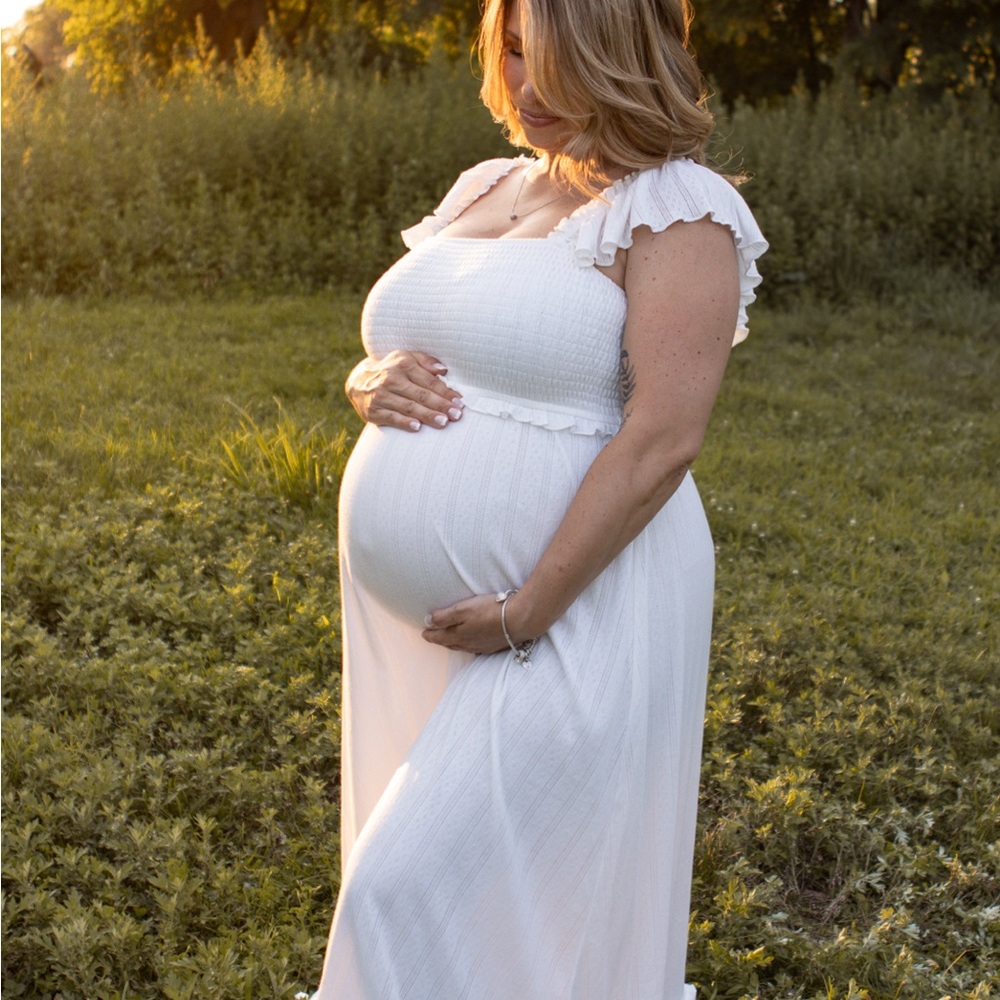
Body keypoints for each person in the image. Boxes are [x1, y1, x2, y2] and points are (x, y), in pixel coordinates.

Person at [312, 0, 767, 996]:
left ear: (622, 57)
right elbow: (421, 339)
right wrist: (364, 379)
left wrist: (527, 610)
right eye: (513, 51)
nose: (527, 84)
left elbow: (663, 436)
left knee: (404, 890)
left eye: (559, 59)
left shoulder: (678, 205)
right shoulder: (487, 184)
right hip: (442, 623)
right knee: (480, 901)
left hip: (578, 609)